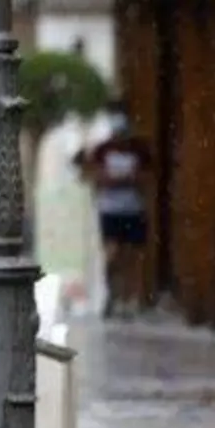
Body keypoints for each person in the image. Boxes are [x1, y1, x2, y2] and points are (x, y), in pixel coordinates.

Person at [78, 103, 151, 319]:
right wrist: (116, 179)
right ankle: (113, 294)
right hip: (110, 209)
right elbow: (93, 175)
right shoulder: (103, 150)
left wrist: (120, 179)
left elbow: (145, 177)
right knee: (113, 254)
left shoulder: (139, 150)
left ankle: (128, 299)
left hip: (133, 209)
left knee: (132, 256)